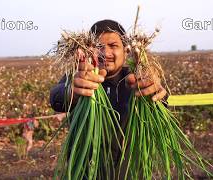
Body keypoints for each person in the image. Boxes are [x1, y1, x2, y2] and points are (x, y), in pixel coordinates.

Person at [50, 19, 168, 178]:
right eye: (99, 47)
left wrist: (157, 94)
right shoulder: (77, 77)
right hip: (86, 173)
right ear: (88, 49)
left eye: (113, 46)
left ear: (126, 51)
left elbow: (163, 105)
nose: (105, 53)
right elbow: (56, 97)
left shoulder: (137, 80)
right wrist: (74, 92)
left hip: (129, 174)